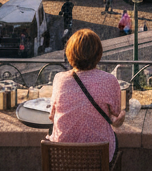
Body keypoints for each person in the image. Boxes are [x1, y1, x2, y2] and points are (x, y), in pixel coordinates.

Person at [48, 28, 124, 158]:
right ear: (98, 53)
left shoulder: (59, 79)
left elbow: (52, 116)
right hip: (98, 157)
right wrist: (122, 116)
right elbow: (115, 116)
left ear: (70, 53)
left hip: (62, 157)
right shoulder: (110, 80)